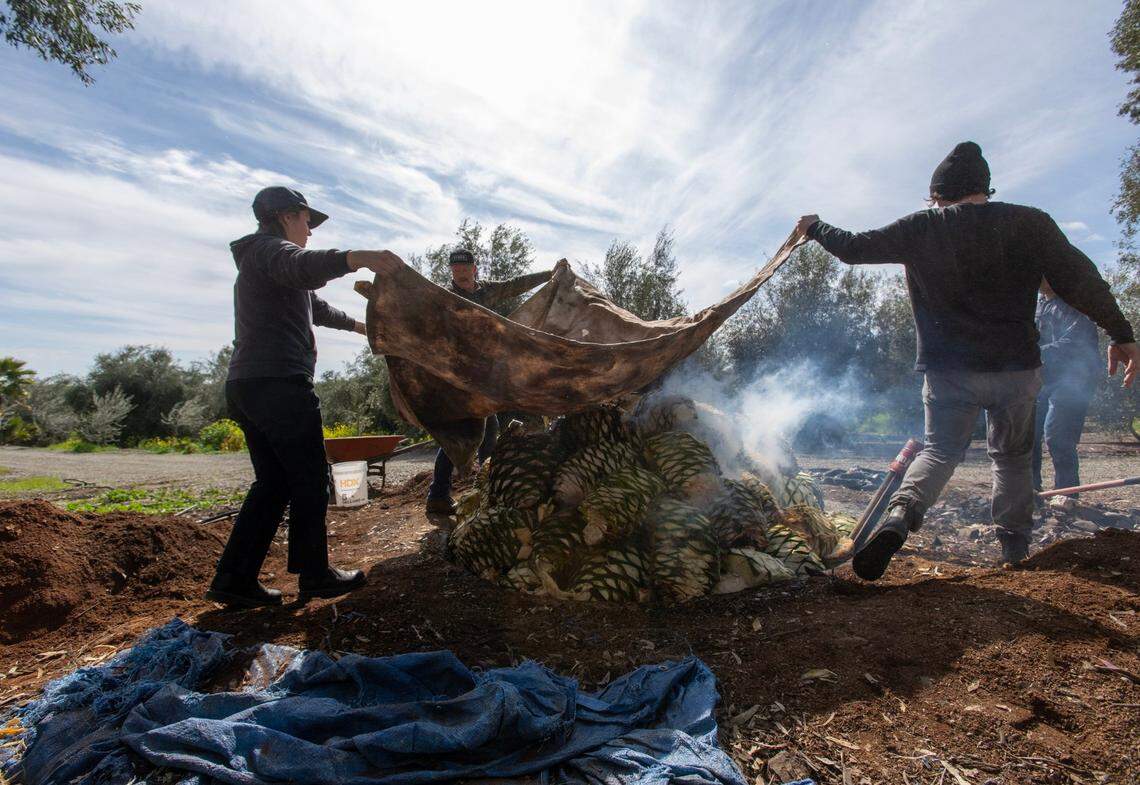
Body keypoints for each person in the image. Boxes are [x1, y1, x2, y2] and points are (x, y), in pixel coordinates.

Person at [794, 141, 1138, 578]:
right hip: (1016, 369)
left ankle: (901, 516)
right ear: (985, 189)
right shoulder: (1029, 222)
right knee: (1012, 457)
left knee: (939, 451)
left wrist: (816, 226)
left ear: (938, 194)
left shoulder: (922, 227)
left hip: (947, 371)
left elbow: (854, 248)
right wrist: (1121, 333)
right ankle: (1014, 548)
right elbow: (1081, 280)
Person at [206, 186, 404, 608]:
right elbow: (303, 267)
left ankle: (234, 579)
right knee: (311, 477)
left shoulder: (269, 266)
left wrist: (361, 329)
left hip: (249, 385)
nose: (310, 230)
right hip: (278, 383)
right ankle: (315, 575)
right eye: (306, 220)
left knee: (273, 483)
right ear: (284, 216)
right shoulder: (269, 252)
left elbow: (315, 306)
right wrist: (357, 258)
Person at [424, 248, 556, 514]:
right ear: (451, 271)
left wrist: (549, 275)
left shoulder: (487, 291)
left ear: (474, 268)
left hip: (482, 374)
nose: (460, 273)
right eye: (455, 270)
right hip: (457, 375)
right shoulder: (443, 296)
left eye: (464, 269)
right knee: (470, 433)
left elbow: (515, 285)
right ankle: (482, 490)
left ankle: (453, 493)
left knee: (480, 431)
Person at [1033, 278, 1102, 497]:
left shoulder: (1075, 303)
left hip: (1074, 379)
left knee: (1058, 436)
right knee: (1027, 434)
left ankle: (1066, 494)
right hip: (1042, 378)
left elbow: (1075, 343)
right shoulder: (1038, 303)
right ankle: (1029, 491)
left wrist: (1029, 354)